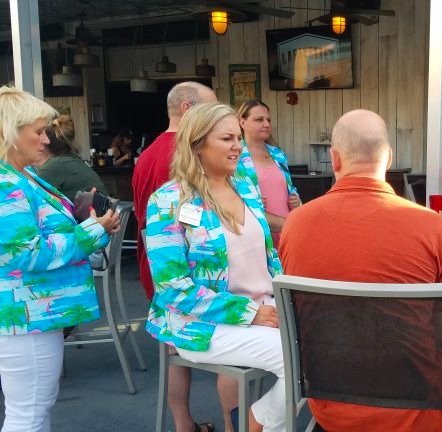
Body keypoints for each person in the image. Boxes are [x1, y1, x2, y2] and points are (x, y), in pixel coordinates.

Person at [279, 109, 442, 432]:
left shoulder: (297, 223)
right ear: (389, 158)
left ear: (334, 160)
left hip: (332, 405)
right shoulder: (430, 225)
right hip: (417, 410)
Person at [145, 102, 285, 432]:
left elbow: (269, 260)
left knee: (328, 347)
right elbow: (172, 288)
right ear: (197, 143)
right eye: (227, 138)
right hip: (200, 323)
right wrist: (248, 313)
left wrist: (287, 300)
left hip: (265, 309)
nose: (238, 146)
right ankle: (258, 422)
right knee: (299, 358)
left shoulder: (246, 189)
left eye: (238, 137)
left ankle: (259, 419)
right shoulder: (168, 202)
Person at [0, 86, 119, 431]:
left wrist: (81, 213)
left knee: (33, 409)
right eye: (38, 131)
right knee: (29, 414)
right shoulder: (8, 183)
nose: (45, 140)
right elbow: (25, 252)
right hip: (27, 315)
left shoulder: (24, 176)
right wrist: (93, 232)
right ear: (9, 130)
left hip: (33, 313)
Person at [131, 81, 219, 432]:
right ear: (187, 110)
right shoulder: (187, 156)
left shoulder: (147, 154)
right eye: (209, 110)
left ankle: (184, 425)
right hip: (185, 273)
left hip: (152, 270)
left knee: (175, 353)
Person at [236, 100, 301, 248]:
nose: (266, 124)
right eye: (259, 119)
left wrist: (296, 200)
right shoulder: (236, 156)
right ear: (242, 122)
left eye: (268, 120)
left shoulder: (277, 153)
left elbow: (289, 188)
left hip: (287, 229)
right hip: (259, 232)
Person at [37, 115, 108, 202]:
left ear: (45, 143)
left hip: (92, 215)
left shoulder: (54, 166)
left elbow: (33, 201)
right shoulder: (73, 161)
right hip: (102, 213)